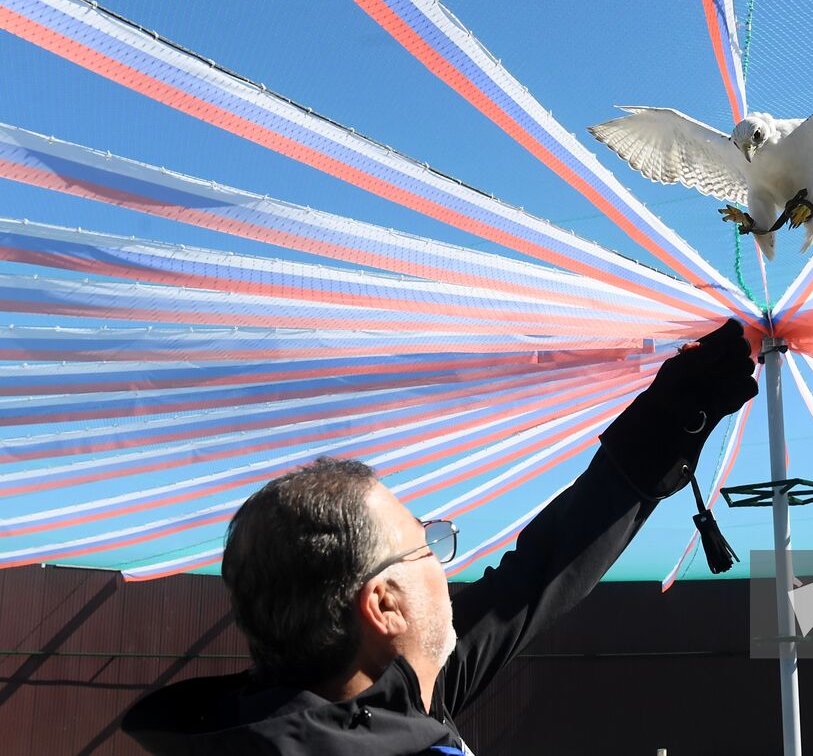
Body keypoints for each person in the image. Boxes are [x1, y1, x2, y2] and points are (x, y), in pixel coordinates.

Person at [121, 319, 757, 755]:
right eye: (426, 543)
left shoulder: (397, 696)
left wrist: (675, 417)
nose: (447, 566)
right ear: (386, 603)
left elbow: (537, 575)